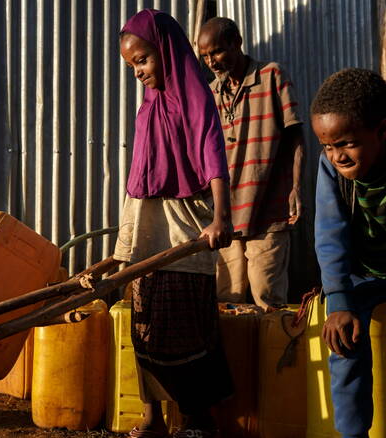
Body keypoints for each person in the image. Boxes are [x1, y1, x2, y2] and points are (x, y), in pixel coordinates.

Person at [113, 9, 234, 438]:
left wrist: (221, 217)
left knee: (181, 327)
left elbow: (212, 156)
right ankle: (153, 420)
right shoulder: (150, 105)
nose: (138, 72)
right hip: (146, 228)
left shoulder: (194, 96)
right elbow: (141, 176)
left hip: (183, 227)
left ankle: (198, 420)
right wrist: (124, 244)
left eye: (143, 60)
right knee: (143, 324)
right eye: (131, 66)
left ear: (165, 50)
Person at [312, 68, 386, 438]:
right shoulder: (330, 170)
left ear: (381, 131)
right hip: (360, 274)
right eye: (328, 146)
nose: (337, 156)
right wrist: (339, 300)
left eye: (346, 143)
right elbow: (330, 235)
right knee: (343, 345)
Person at [197, 17, 305, 310]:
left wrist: (296, 187)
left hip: (268, 212)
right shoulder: (210, 94)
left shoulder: (272, 76)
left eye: (217, 52)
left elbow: (295, 137)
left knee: (269, 303)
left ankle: (275, 358)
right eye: (205, 56)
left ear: (237, 43)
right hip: (225, 218)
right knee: (226, 303)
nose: (212, 62)